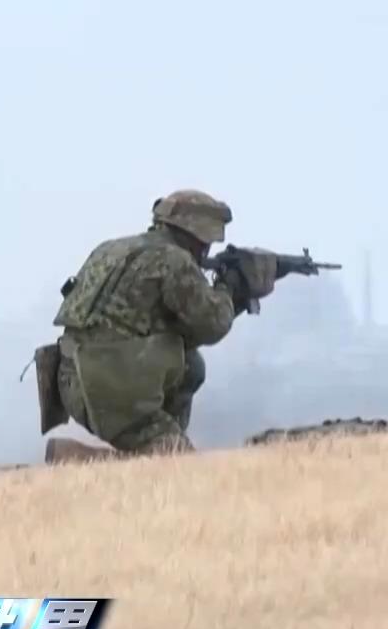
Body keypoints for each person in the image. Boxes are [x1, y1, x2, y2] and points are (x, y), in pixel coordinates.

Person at [37, 189, 278, 457]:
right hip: (110, 387)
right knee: (177, 465)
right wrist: (228, 287)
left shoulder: (111, 248)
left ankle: (154, 441)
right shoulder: (174, 261)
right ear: (198, 236)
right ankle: (82, 457)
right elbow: (213, 326)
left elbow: (183, 331)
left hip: (71, 380)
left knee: (190, 363)